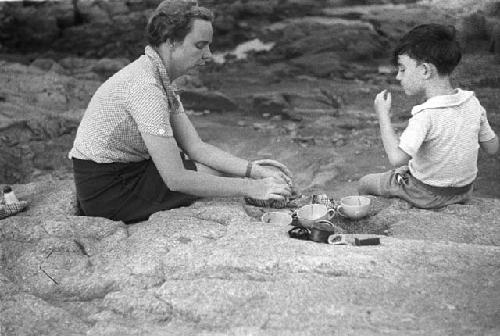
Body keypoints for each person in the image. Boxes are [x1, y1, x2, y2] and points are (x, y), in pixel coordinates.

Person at [69, 0, 292, 223]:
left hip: (130, 169)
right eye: (200, 45)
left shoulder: (158, 76)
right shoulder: (146, 88)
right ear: (171, 42)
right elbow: (176, 179)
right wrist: (253, 188)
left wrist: (253, 170)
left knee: (212, 171)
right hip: (110, 190)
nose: (208, 55)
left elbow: (196, 147)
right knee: (213, 176)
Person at [358, 23, 499, 209]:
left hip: (425, 193)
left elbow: (396, 158)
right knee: (406, 168)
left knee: (365, 182)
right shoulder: (472, 103)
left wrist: (383, 115)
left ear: (425, 70)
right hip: (464, 191)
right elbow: (493, 147)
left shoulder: (425, 115)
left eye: (402, 69)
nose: (398, 77)